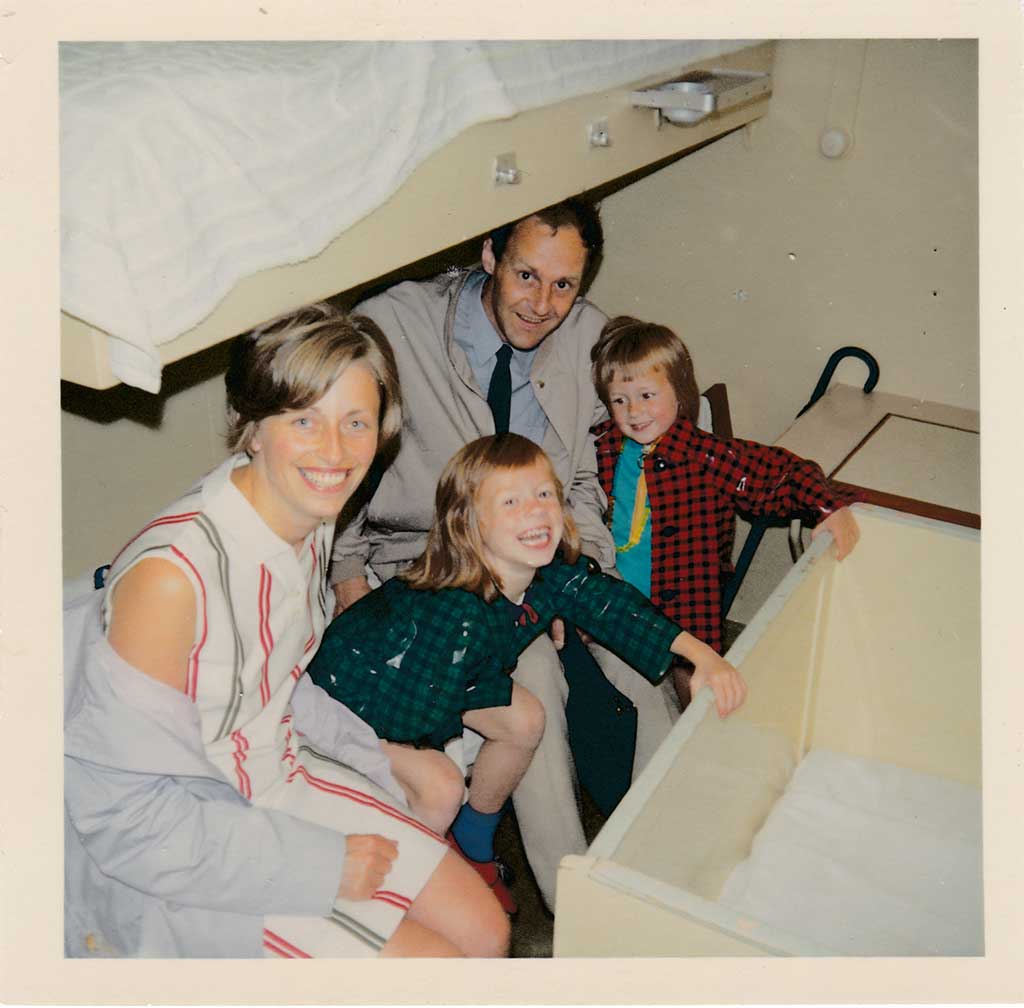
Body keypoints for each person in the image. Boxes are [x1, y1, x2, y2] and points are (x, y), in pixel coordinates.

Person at [63, 304, 509, 959]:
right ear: (252, 427)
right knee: (437, 967)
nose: (334, 453)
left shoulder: (310, 518)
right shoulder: (170, 581)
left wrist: (386, 753)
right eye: (305, 420)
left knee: (487, 930)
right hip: (198, 841)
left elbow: (273, 676)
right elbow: (127, 825)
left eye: (355, 423)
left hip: (281, 777)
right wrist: (322, 866)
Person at [329, 198, 680, 910]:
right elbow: (345, 462)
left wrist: (583, 573)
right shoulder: (394, 324)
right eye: (526, 275)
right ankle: (569, 899)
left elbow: (581, 476)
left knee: (650, 673)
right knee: (537, 686)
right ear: (488, 255)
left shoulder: (587, 336)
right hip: (431, 567)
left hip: (544, 553)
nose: (542, 303)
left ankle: (666, 861)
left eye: (563, 286)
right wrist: (348, 585)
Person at [310, 435, 746, 913]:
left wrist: (701, 654)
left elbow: (608, 602)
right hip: (347, 709)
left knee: (524, 719)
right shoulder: (457, 616)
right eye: (511, 501)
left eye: (544, 494)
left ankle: (475, 837)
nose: (535, 511)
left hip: (437, 677)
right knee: (440, 787)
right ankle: (415, 891)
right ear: (470, 526)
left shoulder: (542, 575)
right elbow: (414, 721)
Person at [590, 316, 862, 705]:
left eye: (647, 396)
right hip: (620, 611)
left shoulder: (706, 455)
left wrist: (827, 505)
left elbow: (784, 472)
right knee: (622, 702)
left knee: (696, 701)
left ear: (680, 394)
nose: (634, 411)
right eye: (620, 400)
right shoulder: (601, 448)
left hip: (685, 612)